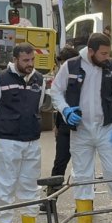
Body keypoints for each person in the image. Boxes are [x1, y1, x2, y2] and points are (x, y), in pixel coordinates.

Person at [51, 33, 112, 223]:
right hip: (80, 130)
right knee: (82, 175)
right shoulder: (71, 67)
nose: (107, 57)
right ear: (90, 52)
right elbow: (56, 91)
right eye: (103, 53)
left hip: (107, 129)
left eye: (109, 53)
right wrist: (65, 111)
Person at [0, 43, 47, 223]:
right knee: (5, 184)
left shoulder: (39, 80)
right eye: (25, 60)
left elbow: (38, 105)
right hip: (7, 141)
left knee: (30, 184)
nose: (30, 64)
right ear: (15, 59)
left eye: (32, 60)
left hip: (31, 140)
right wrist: (3, 129)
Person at [47, 46, 81, 191]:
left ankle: (85, 203)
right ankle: (51, 199)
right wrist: (57, 125)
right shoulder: (61, 78)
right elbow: (58, 102)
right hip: (64, 127)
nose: (63, 67)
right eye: (61, 64)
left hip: (81, 127)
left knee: (82, 167)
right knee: (59, 163)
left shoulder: (84, 76)